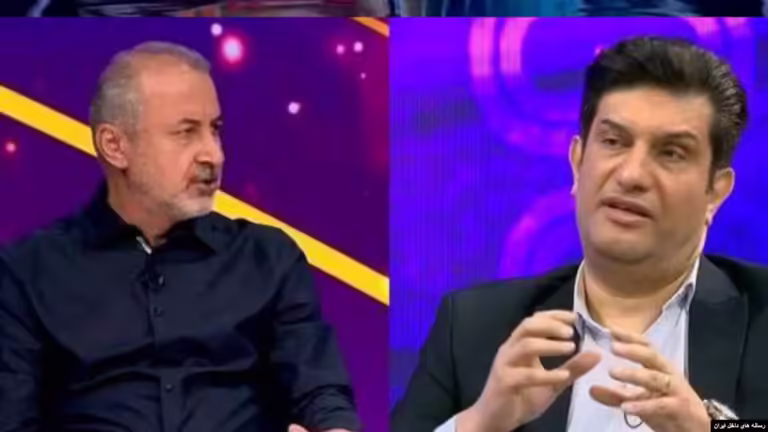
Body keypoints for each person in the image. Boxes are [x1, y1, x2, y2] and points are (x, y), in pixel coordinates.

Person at [392, 36, 768, 432]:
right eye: (613, 141)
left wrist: (708, 429)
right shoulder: (471, 328)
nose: (631, 174)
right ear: (577, 163)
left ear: (716, 192)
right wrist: (481, 422)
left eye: (671, 152)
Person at [0, 41, 359, 432]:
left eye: (215, 130)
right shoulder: (28, 273)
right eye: (186, 132)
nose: (214, 155)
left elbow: (319, 392)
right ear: (115, 146)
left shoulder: (268, 258)